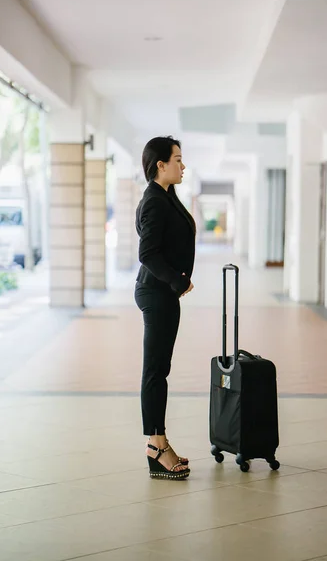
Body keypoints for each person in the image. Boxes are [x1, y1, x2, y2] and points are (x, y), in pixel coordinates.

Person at [135, 136, 196, 480]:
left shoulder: (165, 197)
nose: (182, 165)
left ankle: (159, 442)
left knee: (161, 368)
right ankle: (156, 445)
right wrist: (176, 281)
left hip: (162, 292)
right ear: (160, 165)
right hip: (156, 293)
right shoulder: (155, 201)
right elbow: (147, 253)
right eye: (177, 159)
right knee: (155, 371)